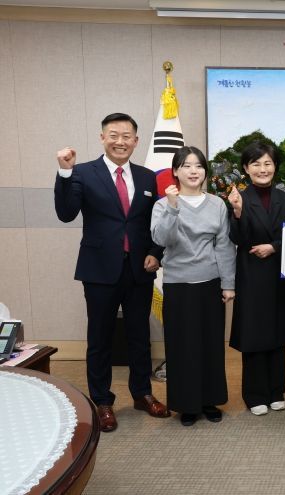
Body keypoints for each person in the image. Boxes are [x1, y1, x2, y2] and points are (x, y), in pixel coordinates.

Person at [54, 113, 169, 432]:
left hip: (139, 269)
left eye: (127, 136)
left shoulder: (147, 177)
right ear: (102, 138)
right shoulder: (82, 172)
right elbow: (65, 213)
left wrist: (155, 253)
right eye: (114, 135)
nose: (121, 141)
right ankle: (102, 400)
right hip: (99, 270)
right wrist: (64, 172)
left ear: (136, 141)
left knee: (139, 336)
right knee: (100, 337)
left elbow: (155, 223)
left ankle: (142, 393)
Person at [151, 146, 236, 426]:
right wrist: (173, 207)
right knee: (182, 346)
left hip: (211, 283)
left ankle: (209, 400)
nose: (193, 171)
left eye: (198, 166)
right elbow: (162, 239)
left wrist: (228, 284)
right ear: (175, 171)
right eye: (186, 166)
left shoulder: (217, 204)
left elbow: (224, 246)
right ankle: (187, 404)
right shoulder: (163, 205)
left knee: (211, 345)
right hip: (178, 284)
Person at [228, 142, 285, 417]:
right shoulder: (238, 198)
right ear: (246, 168)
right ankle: (255, 394)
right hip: (251, 273)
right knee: (254, 333)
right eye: (256, 164)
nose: (262, 169)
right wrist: (237, 212)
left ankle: (276, 391)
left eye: (268, 163)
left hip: (279, 272)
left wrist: (274, 247)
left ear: (275, 166)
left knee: (276, 332)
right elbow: (237, 238)